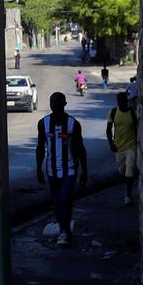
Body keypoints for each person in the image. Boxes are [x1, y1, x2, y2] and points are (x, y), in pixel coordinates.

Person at [35, 92, 88, 246]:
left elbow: (80, 148)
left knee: (65, 198)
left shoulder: (73, 124)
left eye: (58, 102)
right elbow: (40, 147)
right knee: (58, 202)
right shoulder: (43, 123)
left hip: (69, 170)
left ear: (64, 104)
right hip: (51, 170)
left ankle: (65, 232)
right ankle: (65, 229)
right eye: (52, 102)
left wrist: (85, 170)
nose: (55, 105)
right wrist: (38, 168)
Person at [106, 92, 138, 205]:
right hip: (119, 147)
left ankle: (128, 196)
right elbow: (108, 130)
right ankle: (126, 179)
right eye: (118, 100)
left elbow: (137, 128)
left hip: (131, 146)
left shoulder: (132, 113)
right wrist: (111, 144)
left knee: (130, 170)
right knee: (122, 171)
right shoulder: (113, 112)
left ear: (126, 101)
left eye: (122, 100)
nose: (120, 102)